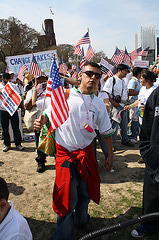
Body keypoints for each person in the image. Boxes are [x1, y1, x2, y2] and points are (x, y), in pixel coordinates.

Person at [34, 62, 114, 240]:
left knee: (84, 193)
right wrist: (42, 121)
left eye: (97, 76)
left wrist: (110, 155)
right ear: (80, 75)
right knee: (66, 198)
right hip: (65, 155)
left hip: (87, 153)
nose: (93, 78)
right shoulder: (65, 95)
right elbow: (48, 113)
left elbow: (106, 131)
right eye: (89, 74)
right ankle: (64, 235)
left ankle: (82, 219)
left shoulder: (99, 103)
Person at [131, 85, 159, 238]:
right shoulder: (157, 94)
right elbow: (147, 125)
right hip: (156, 159)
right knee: (153, 196)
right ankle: (149, 225)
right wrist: (148, 152)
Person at [124, 70, 156, 163]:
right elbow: (139, 101)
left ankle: (151, 157)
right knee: (143, 139)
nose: (140, 81)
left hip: (151, 120)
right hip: (142, 118)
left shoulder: (155, 90)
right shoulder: (142, 89)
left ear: (148, 79)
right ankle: (144, 155)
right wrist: (130, 106)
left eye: (142, 79)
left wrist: (148, 108)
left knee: (151, 139)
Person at [103, 63, 133, 147]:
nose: (127, 73)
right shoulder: (112, 80)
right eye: (125, 71)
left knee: (124, 124)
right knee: (114, 125)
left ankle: (125, 140)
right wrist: (114, 103)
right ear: (119, 70)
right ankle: (111, 144)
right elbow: (106, 93)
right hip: (115, 106)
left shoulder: (123, 81)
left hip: (123, 105)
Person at [0, 73, 24, 152]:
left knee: (16, 128)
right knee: (4, 129)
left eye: (8, 80)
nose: (7, 82)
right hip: (3, 110)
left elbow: (17, 96)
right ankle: (7, 144)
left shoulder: (13, 86)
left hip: (12, 110)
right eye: (5, 81)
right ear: (2, 79)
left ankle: (18, 144)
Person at [127, 67, 142, 142]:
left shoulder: (138, 81)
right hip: (133, 101)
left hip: (138, 102)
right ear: (139, 73)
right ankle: (131, 135)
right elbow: (130, 92)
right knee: (134, 119)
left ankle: (135, 134)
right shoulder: (133, 81)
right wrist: (140, 92)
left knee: (137, 119)